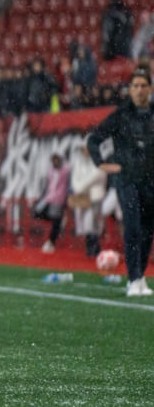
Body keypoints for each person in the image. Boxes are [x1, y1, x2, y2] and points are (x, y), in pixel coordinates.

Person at [87, 70, 154, 297]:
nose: (138, 89)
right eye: (135, 85)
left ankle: (140, 277)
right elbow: (94, 139)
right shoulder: (121, 114)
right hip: (127, 180)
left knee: (147, 231)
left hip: (150, 181)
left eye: (143, 85)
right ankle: (133, 278)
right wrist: (102, 164)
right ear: (130, 89)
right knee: (133, 227)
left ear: (150, 88)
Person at [70, 145, 107, 257]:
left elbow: (95, 176)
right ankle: (90, 247)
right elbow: (75, 177)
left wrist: (80, 187)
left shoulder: (98, 161)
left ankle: (95, 247)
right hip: (83, 197)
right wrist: (78, 188)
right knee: (86, 224)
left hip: (95, 196)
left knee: (93, 222)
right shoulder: (80, 162)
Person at [34, 154, 71, 254]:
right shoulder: (51, 171)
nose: (55, 163)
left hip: (59, 198)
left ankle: (51, 242)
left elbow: (68, 183)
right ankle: (60, 220)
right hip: (48, 198)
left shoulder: (65, 170)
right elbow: (48, 184)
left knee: (55, 222)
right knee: (37, 213)